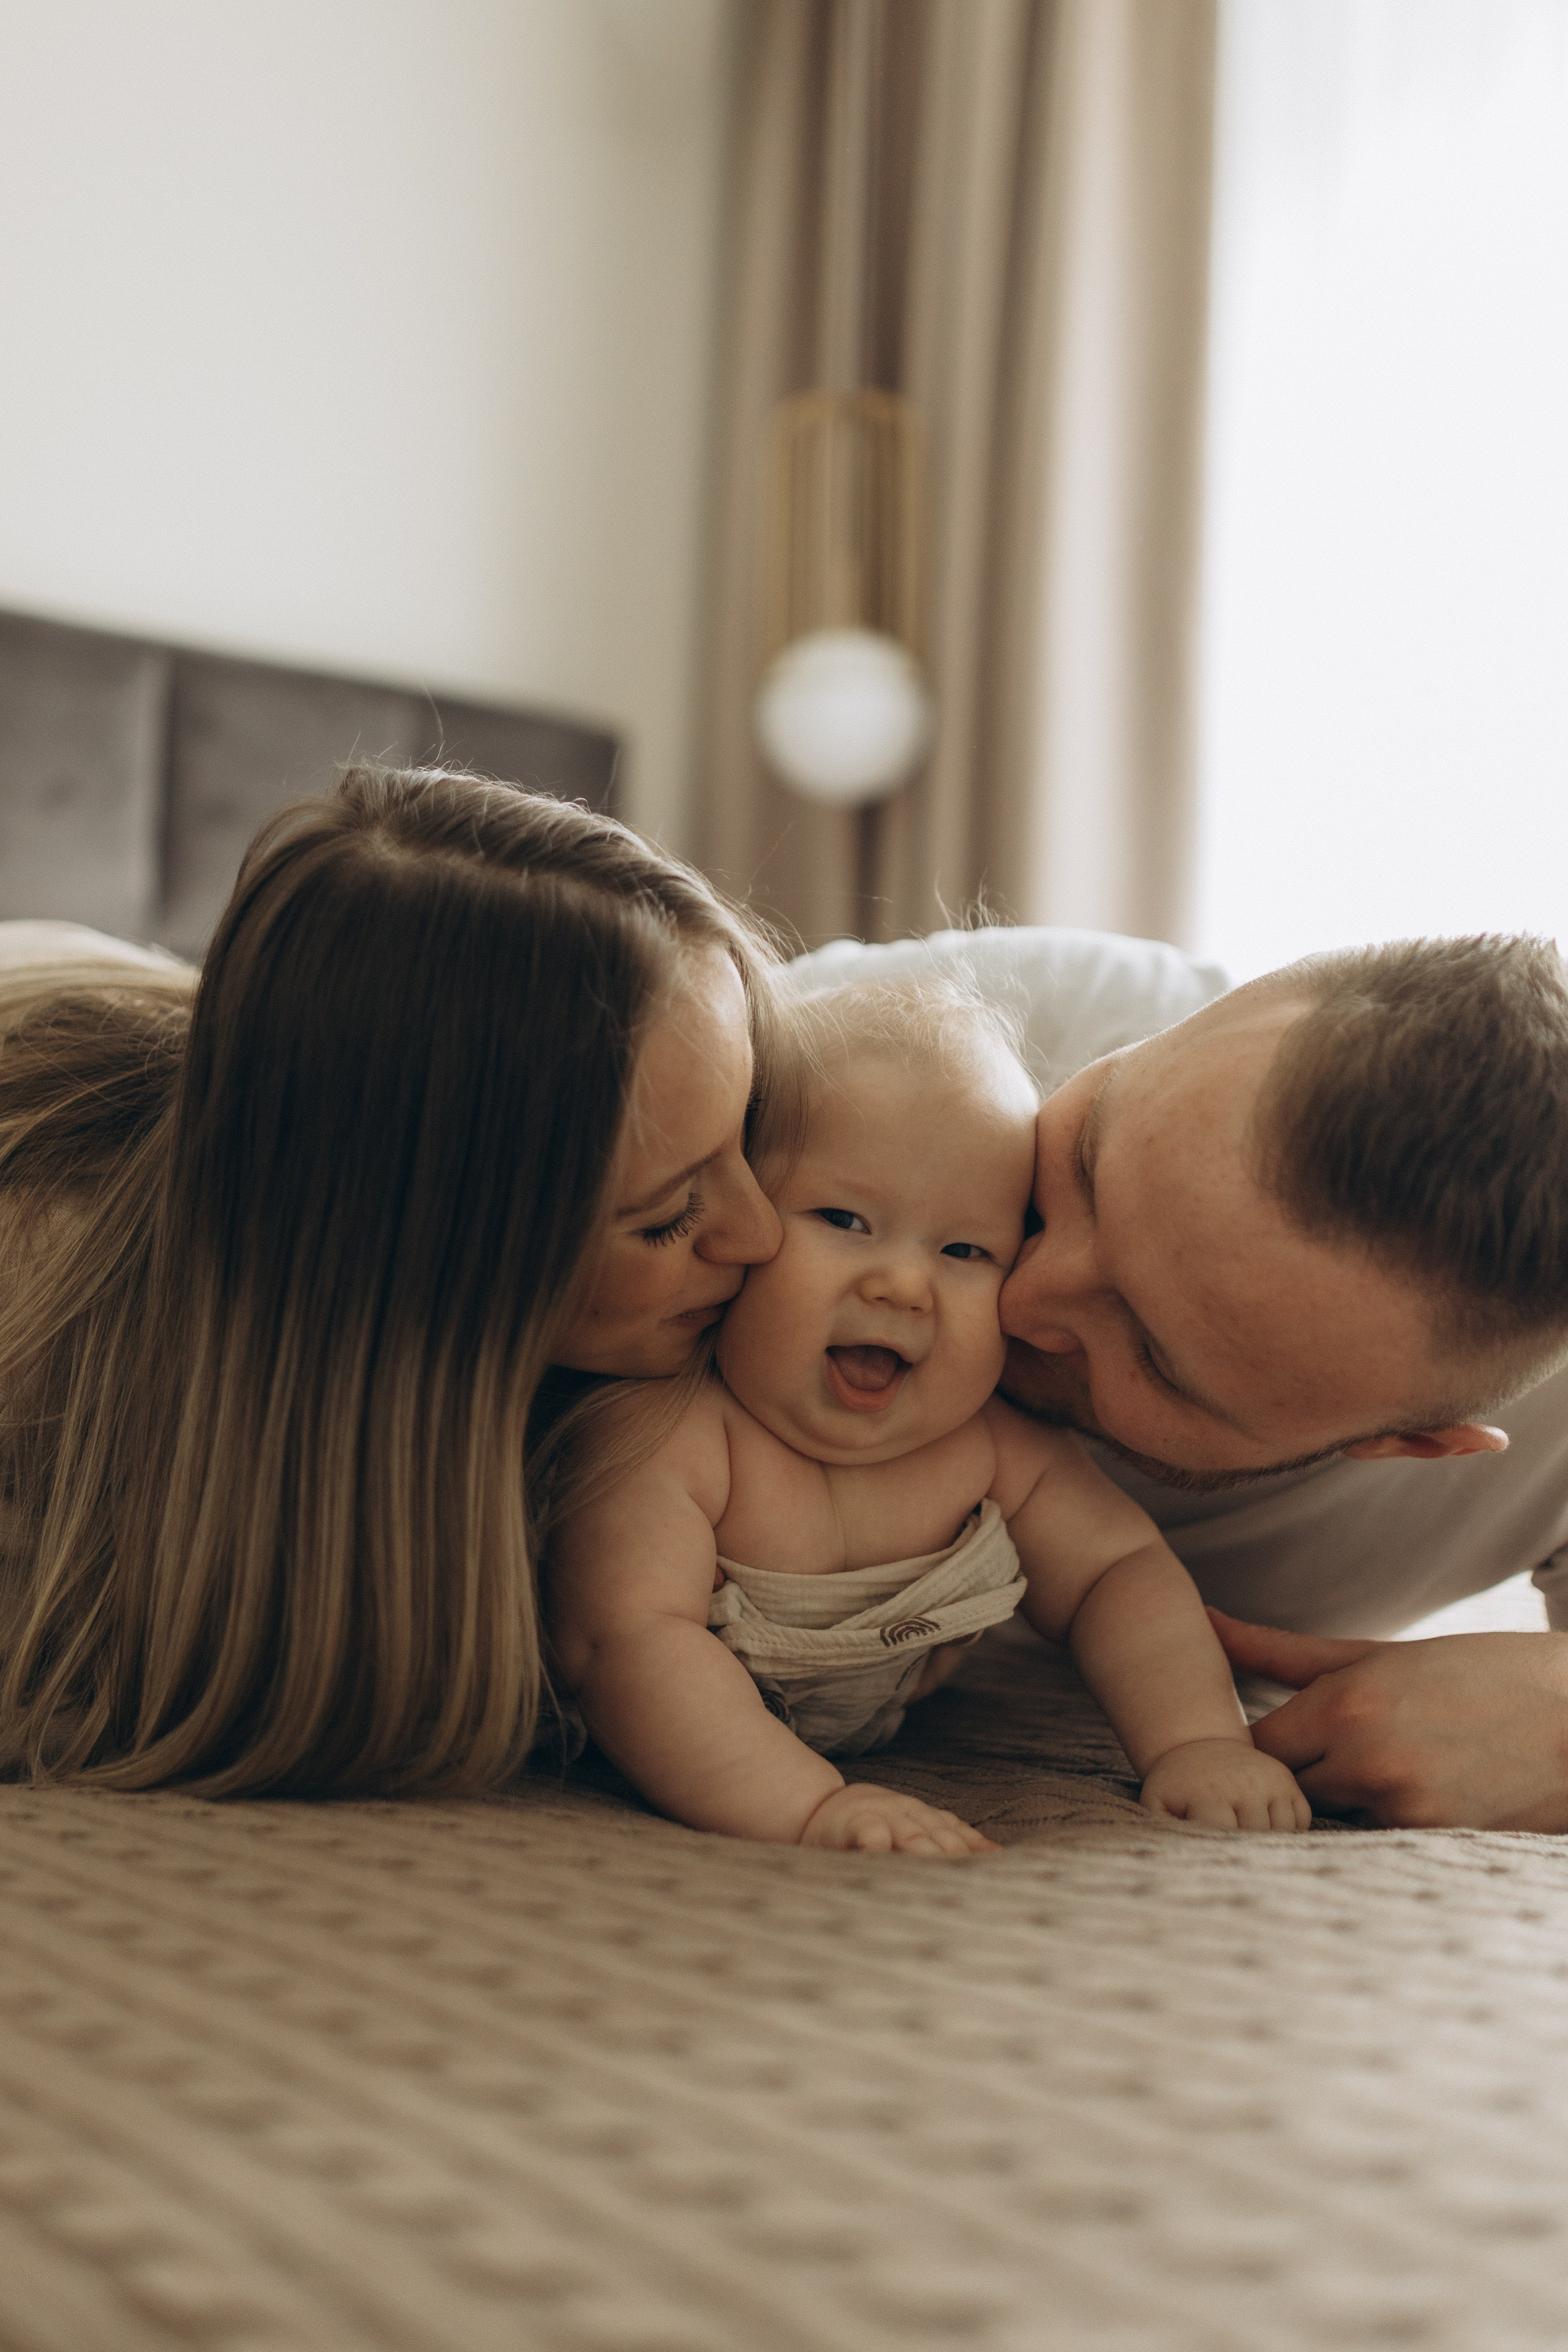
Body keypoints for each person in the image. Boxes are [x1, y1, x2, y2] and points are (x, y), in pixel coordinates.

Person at [0, 766, 788, 1796]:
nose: (762, 1232)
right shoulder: (42, 1343)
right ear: (431, 1273)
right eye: (667, 1216)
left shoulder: (677, 1065)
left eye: (752, 1136)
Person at [785, 925, 1568, 1832]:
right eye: (1083, 1156)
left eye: (1155, 1357)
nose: (1019, 1300)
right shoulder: (956, 1030)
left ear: (1406, 1444)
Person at [550, 976, 1311, 1849]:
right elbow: (628, 1644)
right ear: (741, 1222)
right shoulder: (667, 1434)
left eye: (964, 1249)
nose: (904, 1285)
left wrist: (1197, 1741)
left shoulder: (989, 1445)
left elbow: (1118, 1575)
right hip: (648, 1737)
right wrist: (807, 1805)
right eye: (844, 1218)